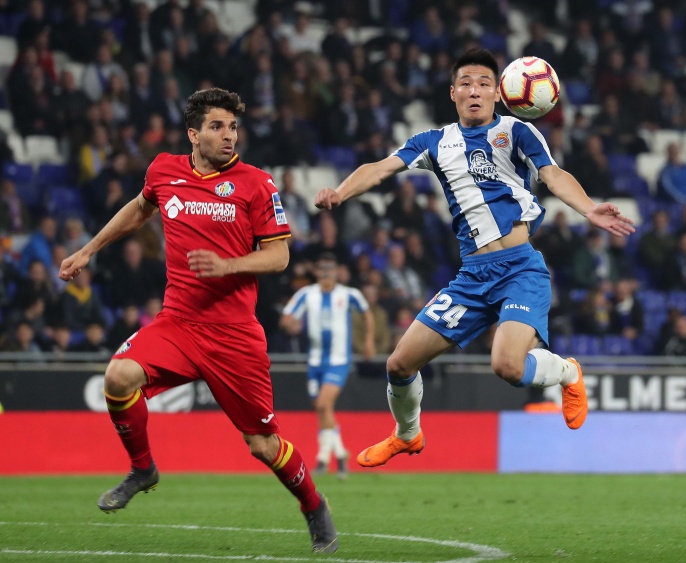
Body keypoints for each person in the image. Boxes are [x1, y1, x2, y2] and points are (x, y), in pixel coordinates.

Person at [313, 48, 635, 468]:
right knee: (399, 364)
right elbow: (379, 168)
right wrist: (340, 192)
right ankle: (407, 435)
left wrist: (588, 208)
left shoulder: (516, 132)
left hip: (520, 269)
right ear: (453, 93)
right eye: (466, 83)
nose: (475, 90)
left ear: (499, 93)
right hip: (473, 277)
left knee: (507, 366)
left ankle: (567, 372)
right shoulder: (433, 142)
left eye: (484, 83)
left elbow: (552, 174)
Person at [58, 88, 338, 554]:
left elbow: (279, 256)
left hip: (234, 334)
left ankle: (313, 504)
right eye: (217, 126)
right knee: (119, 376)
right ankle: (143, 469)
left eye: (233, 127)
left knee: (263, 445)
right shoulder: (163, 170)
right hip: (179, 323)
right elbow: (139, 209)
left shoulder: (257, 184)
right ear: (193, 134)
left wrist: (228, 265)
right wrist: (88, 250)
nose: (229, 136)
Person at [280, 253, 375, 479]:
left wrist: (369, 341)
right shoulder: (306, 294)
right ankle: (335, 455)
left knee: (324, 403)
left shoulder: (349, 294)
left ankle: (329, 456)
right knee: (323, 409)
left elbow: (367, 313)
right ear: (316, 271)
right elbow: (286, 318)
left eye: (330, 268)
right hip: (314, 361)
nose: (326, 273)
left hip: (338, 360)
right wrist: (289, 324)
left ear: (337, 271)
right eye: (322, 268)